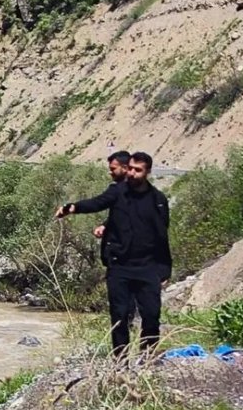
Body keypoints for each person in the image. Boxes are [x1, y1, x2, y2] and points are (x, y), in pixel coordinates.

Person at [56, 151, 172, 358]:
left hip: (148, 267)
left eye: (138, 170)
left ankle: (147, 359)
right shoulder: (118, 192)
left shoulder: (158, 200)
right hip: (120, 266)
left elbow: (162, 237)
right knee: (119, 316)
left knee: (152, 316)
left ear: (148, 172)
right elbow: (97, 203)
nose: (133, 174)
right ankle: (120, 362)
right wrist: (72, 208)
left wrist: (165, 269)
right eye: (131, 169)